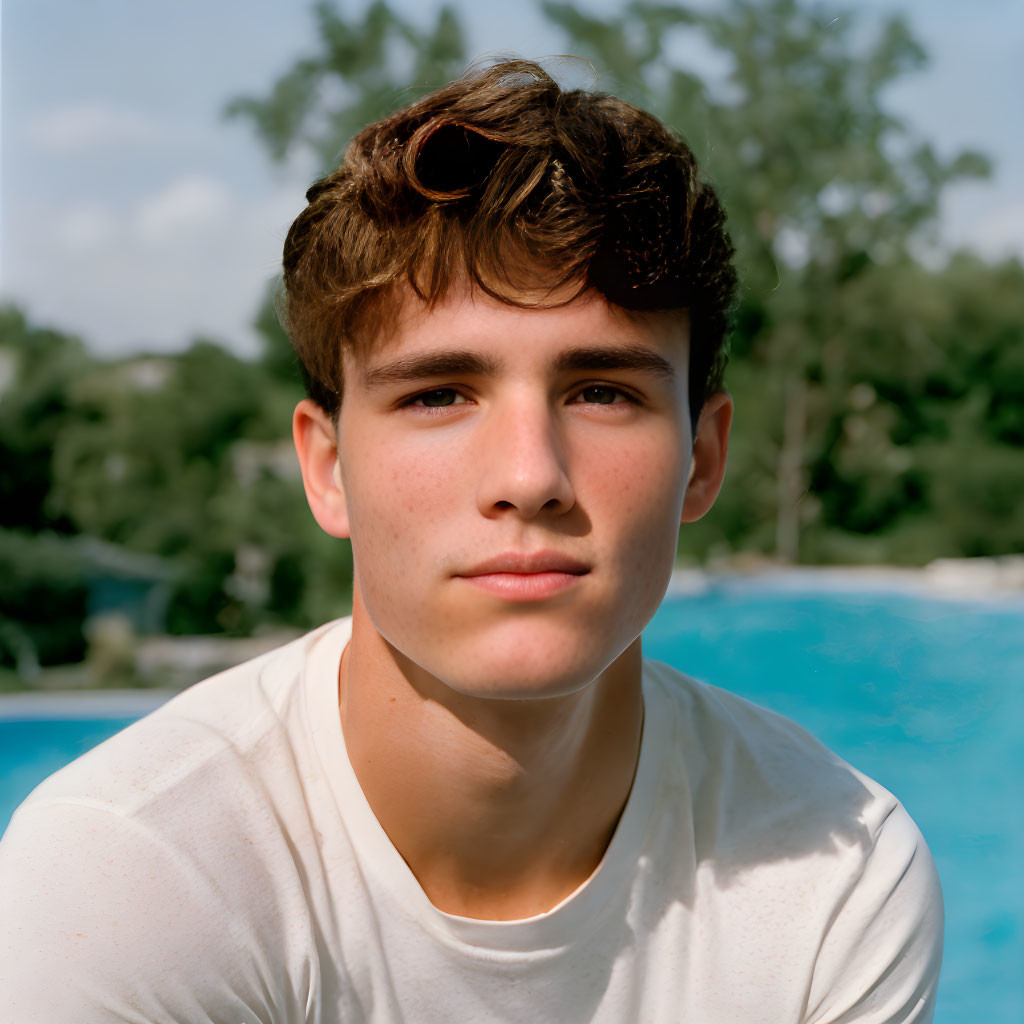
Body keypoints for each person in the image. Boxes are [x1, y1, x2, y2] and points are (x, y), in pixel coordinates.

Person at [0, 59, 942, 1022]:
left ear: (702, 458)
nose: (529, 476)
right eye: (438, 394)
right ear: (327, 468)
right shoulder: (133, 875)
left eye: (602, 392)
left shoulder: (834, 877)